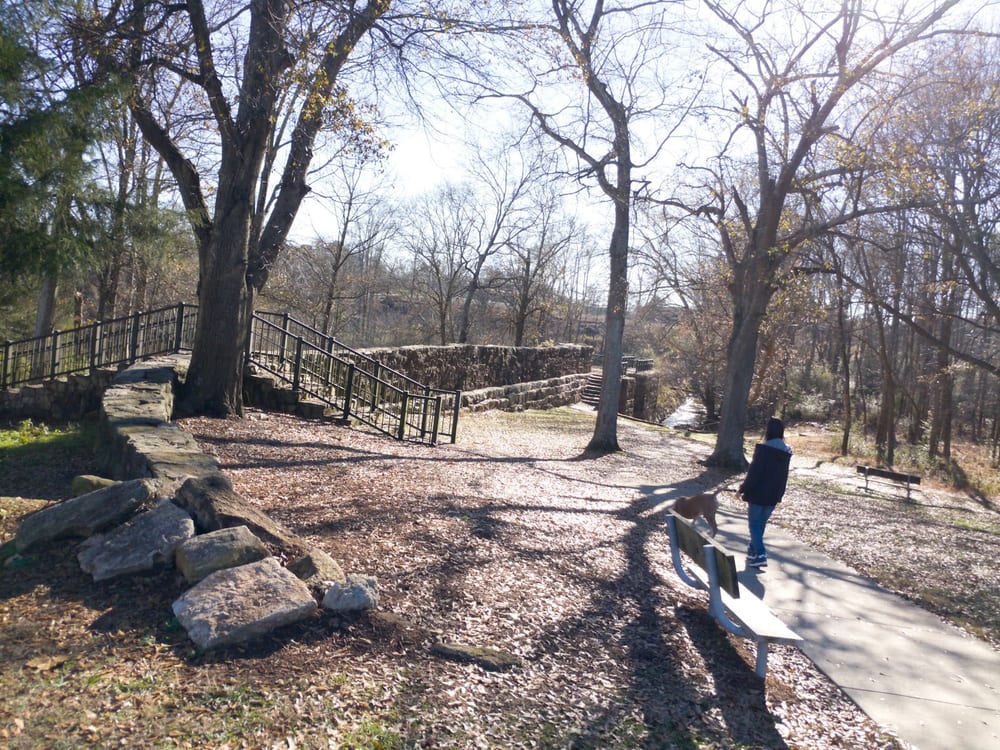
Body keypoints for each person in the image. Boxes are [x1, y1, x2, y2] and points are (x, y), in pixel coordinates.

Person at [738, 417, 792, 569]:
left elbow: (754, 473)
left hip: (758, 494)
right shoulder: (786, 452)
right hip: (774, 495)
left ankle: (760, 554)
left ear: (768, 431)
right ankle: (752, 552)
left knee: (754, 525)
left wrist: (743, 489)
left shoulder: (763, 450)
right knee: (760, 525)